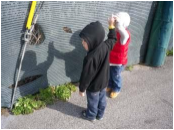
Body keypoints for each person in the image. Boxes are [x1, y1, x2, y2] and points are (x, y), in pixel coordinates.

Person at [78, 16, 117, 122]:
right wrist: (111, 25)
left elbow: (86, 75)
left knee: (93, 101)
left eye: (84, 41)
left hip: (93, 86)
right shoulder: (105, 46)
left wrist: (82, 89)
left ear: (93, 41)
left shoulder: (90, 58)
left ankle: (91, 115)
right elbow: (113, 39)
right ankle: (100, 115)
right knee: (102, 100)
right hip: (104, 82)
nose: (82, 43)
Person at [107, 12, 131, 98]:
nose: (116, 24)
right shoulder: (116, 32)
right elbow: (111, 32)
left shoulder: (125, 35)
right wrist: (111, 22)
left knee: (116, 75)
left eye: (118, 22)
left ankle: (117, 88)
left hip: (119, 61)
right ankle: (110, 85)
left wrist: (119, 23)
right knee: (109, 73)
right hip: (111, 58)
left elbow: (122, 32)